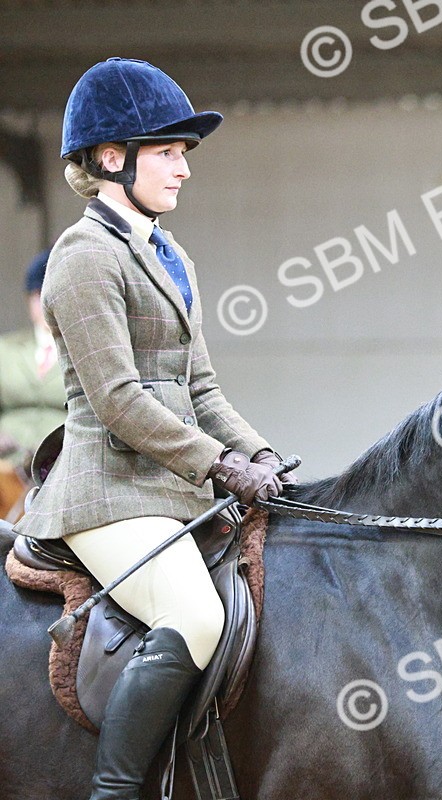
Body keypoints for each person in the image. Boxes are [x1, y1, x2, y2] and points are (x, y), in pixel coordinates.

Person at [14, 58, 293, 800]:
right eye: (168, 151)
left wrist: (259, 452)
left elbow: (200, 388)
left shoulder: (172, 256)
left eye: (183, 155)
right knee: (195, 614)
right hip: (106, 493)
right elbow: (119, 401)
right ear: (113, 157)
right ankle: (114, 791)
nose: (183, 170)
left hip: (168, 488)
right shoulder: (82, 257)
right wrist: (223, 467)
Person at [0, 250, 68, 516]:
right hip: (5, 468)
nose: (44, 305)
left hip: (57, 470)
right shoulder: (5, 349)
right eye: (38, 296)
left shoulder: (84, 354)